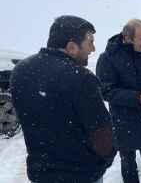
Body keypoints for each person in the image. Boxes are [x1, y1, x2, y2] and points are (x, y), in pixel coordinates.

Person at [10, 15, 116, 183]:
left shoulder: (20, 71)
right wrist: (104, 161)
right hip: (81, 175)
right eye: (90, 42)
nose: (93, 49)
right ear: (72, 47)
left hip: (41, 174)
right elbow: (102, 137)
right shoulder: (81, 77)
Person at [96, 19, 141, 183]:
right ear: (128, 38)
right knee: (129, 168)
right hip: (124, 121)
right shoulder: (108, 58)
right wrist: (136, 97)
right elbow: (106, 91)